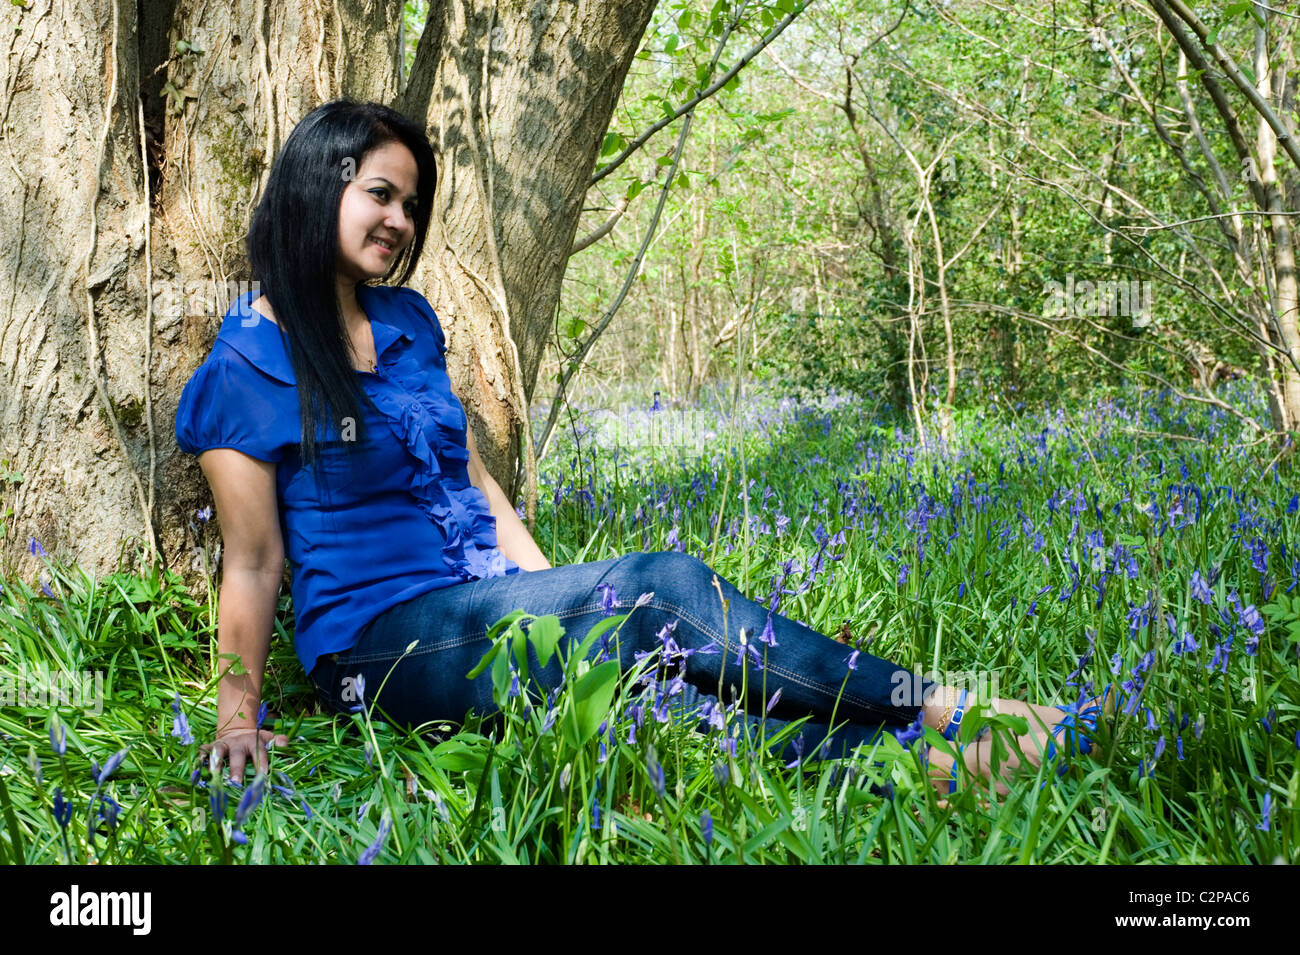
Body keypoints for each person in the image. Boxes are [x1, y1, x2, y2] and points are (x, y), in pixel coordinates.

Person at [175, 98, 1105, 801]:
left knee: (656, 693)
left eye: (411, 204)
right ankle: (935, 704)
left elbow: (473, 484)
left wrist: (559, 597)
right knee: (658, 586)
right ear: (316, 185)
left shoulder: (408, 323)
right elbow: (253, 563)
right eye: (380, 193)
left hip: (470, 606)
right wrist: (236, 715)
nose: (400, 222)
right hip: (372, 653)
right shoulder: (250, 363)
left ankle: (927, 768)